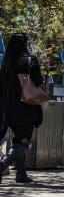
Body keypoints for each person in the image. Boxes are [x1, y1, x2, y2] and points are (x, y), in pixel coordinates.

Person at [0, 33, 44, 184]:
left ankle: (21, 174)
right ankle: (2, 164)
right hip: (26, 107)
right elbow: (38, 80)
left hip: (7, 109)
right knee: (23, 141)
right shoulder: (30, 59)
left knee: (19, 140)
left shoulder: (6, 62)